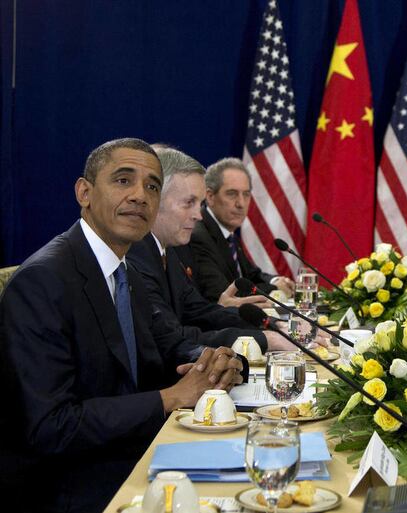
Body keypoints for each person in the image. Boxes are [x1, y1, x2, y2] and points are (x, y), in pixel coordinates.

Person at [0, 138, 244, 513]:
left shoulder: (122, 268)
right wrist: (171, 397)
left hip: (134, 452)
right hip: (70, 484)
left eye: (151, 186)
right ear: (84, 192)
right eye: (122, 180)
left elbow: (168, 344)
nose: (139, 196)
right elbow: (50, 426)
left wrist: (212, 360)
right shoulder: (43, 281)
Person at [127, 148, 298, 352]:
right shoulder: (136, 255)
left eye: (198, 204)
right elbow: (171, 336)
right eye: (189, 203)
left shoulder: (166, 250)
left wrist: (272, 325)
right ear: (155, 200)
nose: (198, 215)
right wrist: (264, 339)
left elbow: (199, 310)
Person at [187, 157, 294, 302]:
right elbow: (225, 294)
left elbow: (252, 274)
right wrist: (276, 290)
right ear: (210, 197)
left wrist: (274, 281)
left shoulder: (227, 233)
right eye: (232, 194)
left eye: (246, 194)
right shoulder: (199, 236)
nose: (241, 204)